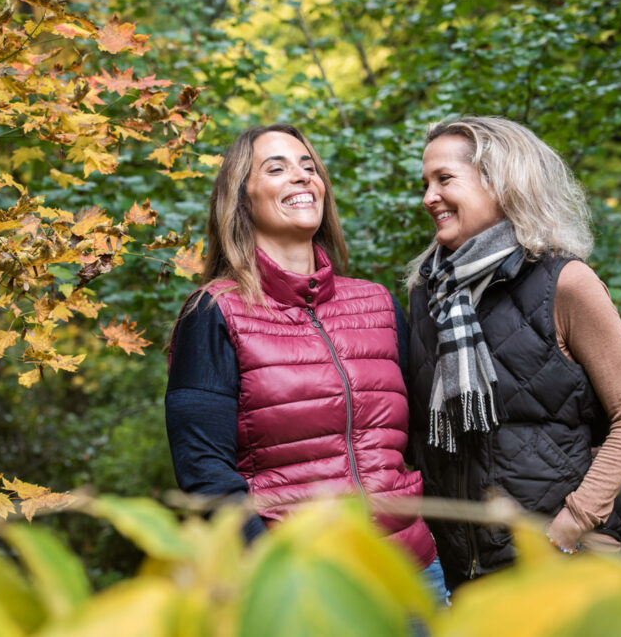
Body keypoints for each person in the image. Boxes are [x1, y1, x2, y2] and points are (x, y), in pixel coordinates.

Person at [164, 124, 443, 598]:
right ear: (242, 197)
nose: (301, 177)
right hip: (304, 583)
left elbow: (417, 439)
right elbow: (204, 471)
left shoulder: (376, 303)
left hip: (413, 575)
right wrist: (270, 568)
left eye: (309, 168)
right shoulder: (214, 313)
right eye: (277, 168)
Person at [405, 116, 621, 587]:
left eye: (444, 180)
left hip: (564, 563)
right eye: (425, 183)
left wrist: (571, 526)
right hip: (467, 570)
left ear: (500, 183)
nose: (428, 198)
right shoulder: (427, 294)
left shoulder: (565, 283)